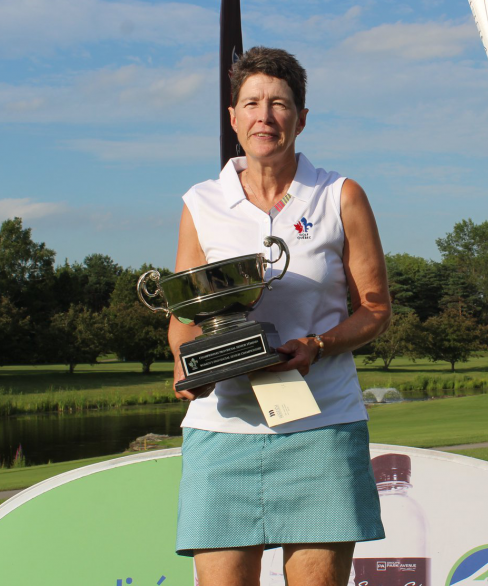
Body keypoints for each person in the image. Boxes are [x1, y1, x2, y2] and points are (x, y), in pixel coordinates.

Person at [169, 46, 391, 586]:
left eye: (279, 104)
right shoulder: (201, 201)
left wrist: (318, 345)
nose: (264, 117)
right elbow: (184, 312)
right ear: (233, 118)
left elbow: (376, 310)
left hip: (322, 424)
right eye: (250, 104)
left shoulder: (340, 195)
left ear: (302, 117)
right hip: (224, 429)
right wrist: (184, 365)